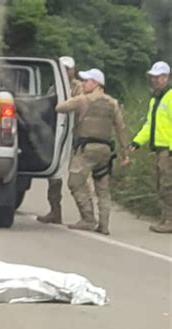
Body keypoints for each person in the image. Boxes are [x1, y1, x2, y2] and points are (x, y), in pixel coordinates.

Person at [56, 68, 129, 235]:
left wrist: (77, 96)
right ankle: (104, 225)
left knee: (75, 183)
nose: (83, 83)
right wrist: (125, 152)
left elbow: (60, 107)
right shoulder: (113, 103)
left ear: (96, 83)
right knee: (102, 188)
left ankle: (88, 219)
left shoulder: (83, 100)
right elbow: (121, 128)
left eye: (86, 81)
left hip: (86, 149)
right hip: (105, 151)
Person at [37, 56, 82, 224]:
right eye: (62, 68)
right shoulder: (54, 87)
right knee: (54, 173)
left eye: (68, 68)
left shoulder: (79, 88)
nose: (65, 71)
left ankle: (88, 216)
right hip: (58, 133)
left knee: (78, 176)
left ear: (73, 70)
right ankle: (55, 211)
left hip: (75, 134)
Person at [130, 61, 172, 234]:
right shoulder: (155, 99)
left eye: (158, 77)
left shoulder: (170, 96)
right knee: (160, 184)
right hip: (159, 149)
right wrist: (137, 142)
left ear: (166, 77)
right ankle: (165, 217)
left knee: (168, 185)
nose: (154, 80)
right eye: (153, 77)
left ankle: (169, 220)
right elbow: (150, 125)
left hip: (168, 150)